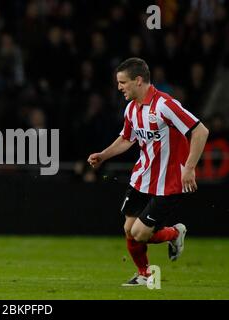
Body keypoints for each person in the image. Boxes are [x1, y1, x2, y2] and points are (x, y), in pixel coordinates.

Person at [87, 57, 209, 286]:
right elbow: (126, 139)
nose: (119, 87)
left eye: (123, 82)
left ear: (138, 80)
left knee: (141, 233)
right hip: (143, 177)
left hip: (170, 181)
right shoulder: (131, 109)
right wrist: (103, 155)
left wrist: (190, 167)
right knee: (128, 229)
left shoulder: (165, 105)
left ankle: (174, 233)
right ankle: (144, 275)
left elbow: (201, 131)